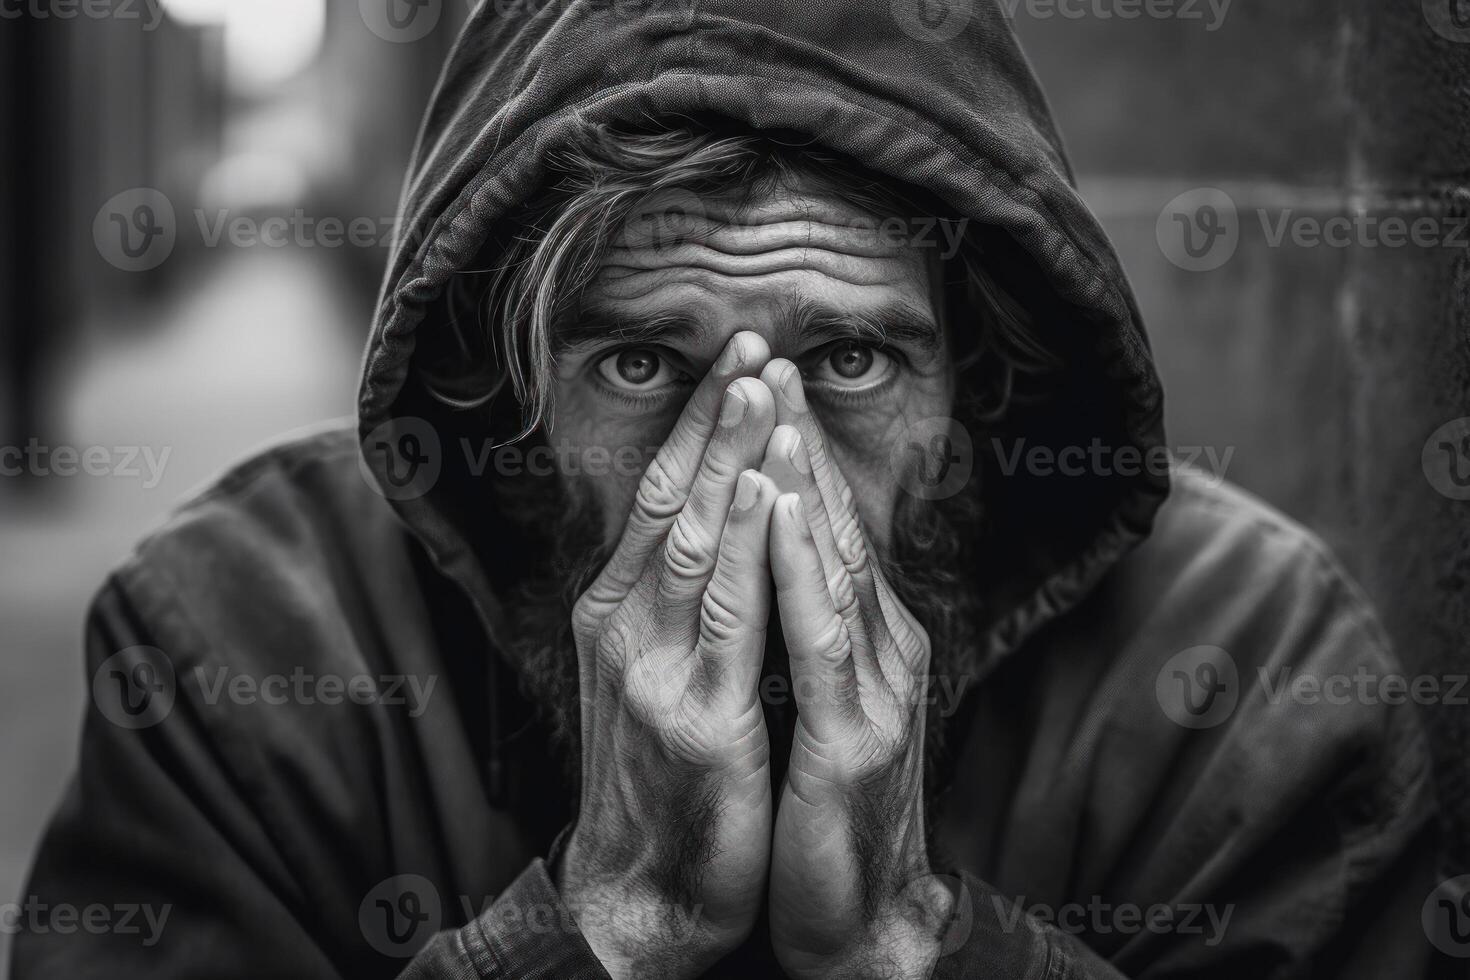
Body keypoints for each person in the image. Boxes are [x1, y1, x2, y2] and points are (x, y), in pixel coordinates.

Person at [14, 1, 1439, 977]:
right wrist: (607, 927)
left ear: (974, 390)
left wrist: (910, 940)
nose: (763, 459)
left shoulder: (1243, 674)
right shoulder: (240, 647)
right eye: (640, 361)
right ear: (508, 401)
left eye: (853, 358)